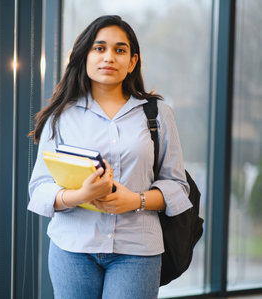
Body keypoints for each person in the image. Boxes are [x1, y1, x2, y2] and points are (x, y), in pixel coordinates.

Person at [28, 15, 192, 299]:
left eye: (120, 50)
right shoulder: (60, 116)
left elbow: (178, 186)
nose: (109, 57)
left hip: (137, 251)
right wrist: (79, 195)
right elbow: (40, 188)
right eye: (99, 48)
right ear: (84, 56)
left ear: (132, 62)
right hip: (72, 249)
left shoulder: (157, 114)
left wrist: (136, 201)